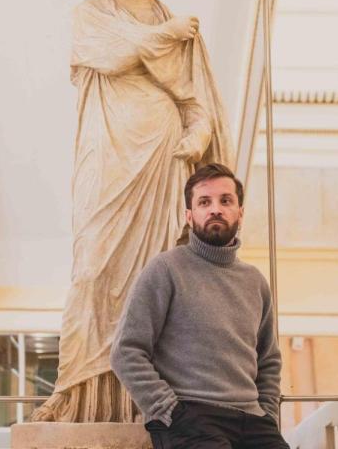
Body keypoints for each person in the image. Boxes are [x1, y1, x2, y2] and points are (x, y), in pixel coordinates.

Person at [30, 0, 233, 423]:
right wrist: (165, 31)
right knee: (93, 265)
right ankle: (75, 390)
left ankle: (156, 399)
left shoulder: (176, 26)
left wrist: (200, 131)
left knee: (160, 272)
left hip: (162, 151)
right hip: (108, 150)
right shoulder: (91, 14)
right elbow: (114, 57)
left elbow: (195, 99)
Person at [111, 163, 289, 448]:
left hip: (253, 420)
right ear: (189, 215)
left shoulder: (255, 281)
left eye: (226, 200)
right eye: (204, 202)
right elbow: (126, 351)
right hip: (191, 415)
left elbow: (268, 360)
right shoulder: (165, 269)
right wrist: (169, 410)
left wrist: (267, 414)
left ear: (240, 214)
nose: (215, 209)